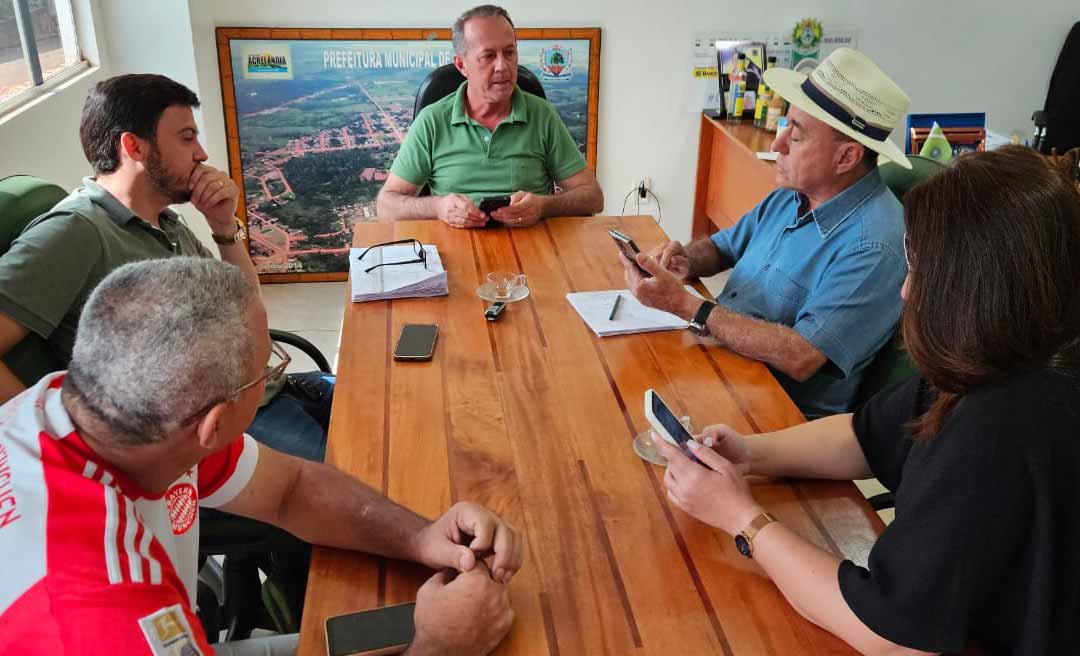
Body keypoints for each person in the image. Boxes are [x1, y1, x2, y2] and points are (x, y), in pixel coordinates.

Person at [656, 146, 1080, 655]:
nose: (905, 292)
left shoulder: (1001, 424)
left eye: (920, 272)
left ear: (974, 287)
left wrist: (742, 520)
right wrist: (751, 454)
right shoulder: (1002, 353)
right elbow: (866, 432)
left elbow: (889, 634)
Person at [0, 257, 522, 655]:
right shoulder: (92, 613)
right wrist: (439, 647)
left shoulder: (103, 409)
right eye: (266, 367)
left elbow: (291, 489)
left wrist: (421, 535)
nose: (275, 372)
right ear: (213, 424)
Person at [0, 73, 332, 462]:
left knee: (394, 405)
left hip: (263, 393)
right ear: (134, 147)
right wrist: (59, 452)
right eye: (187, 137)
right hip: (212, 434)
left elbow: (247, 308)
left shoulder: (165, 221)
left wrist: (224, 227)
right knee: (371, 478)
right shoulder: (75, 231)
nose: (202, 154)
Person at [623, 48, 911, 418]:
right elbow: (722, 248)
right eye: (785, 125)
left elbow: (802, 356)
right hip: (719, 365)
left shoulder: (876, 245)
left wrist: (685, 304)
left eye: (798, 135)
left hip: (772, 412)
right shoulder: (792, 194)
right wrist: (682, 259)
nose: (776, 145)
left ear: (847, 158)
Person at [376, 5, 603, 229]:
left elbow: (593, 197)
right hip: (455, 252)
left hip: (532, 251)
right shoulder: (432, 121)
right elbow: (386, 206)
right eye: (488, 56)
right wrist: (438, 207)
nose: (502, 66)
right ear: (462, 65)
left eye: (509, 52)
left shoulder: (542, 115)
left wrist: (544, 206)